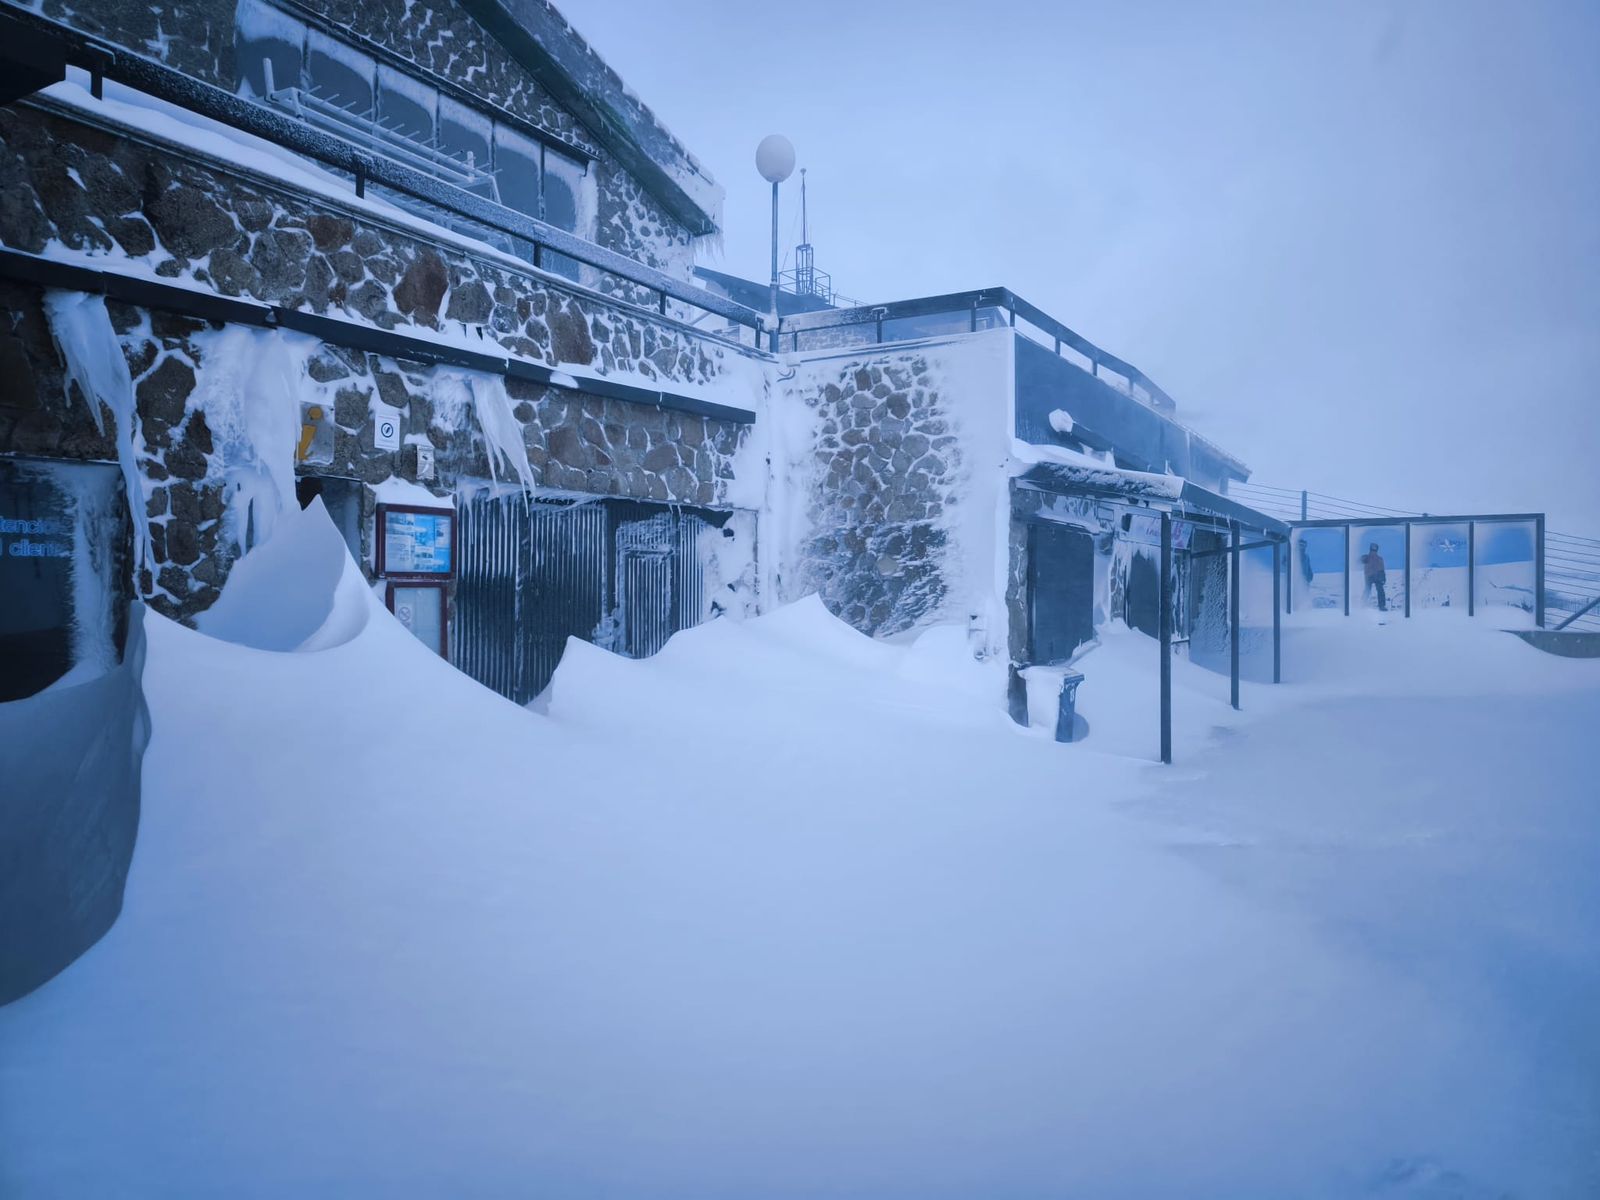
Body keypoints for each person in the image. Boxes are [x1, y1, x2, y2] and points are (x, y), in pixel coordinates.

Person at [1360, 541, 1388, 612]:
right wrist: (1383, 577)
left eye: (1374, 548)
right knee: (1371, 590)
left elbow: (1382, 568)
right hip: (1373, 576)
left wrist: (1383, 577)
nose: (1373, 550)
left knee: (1376, 590)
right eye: (1373, 548)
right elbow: (1361, 560)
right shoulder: (1367, 557)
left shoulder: (1372, 558)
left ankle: (1381, 606)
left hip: (1374, 576)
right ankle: (1362, 604)